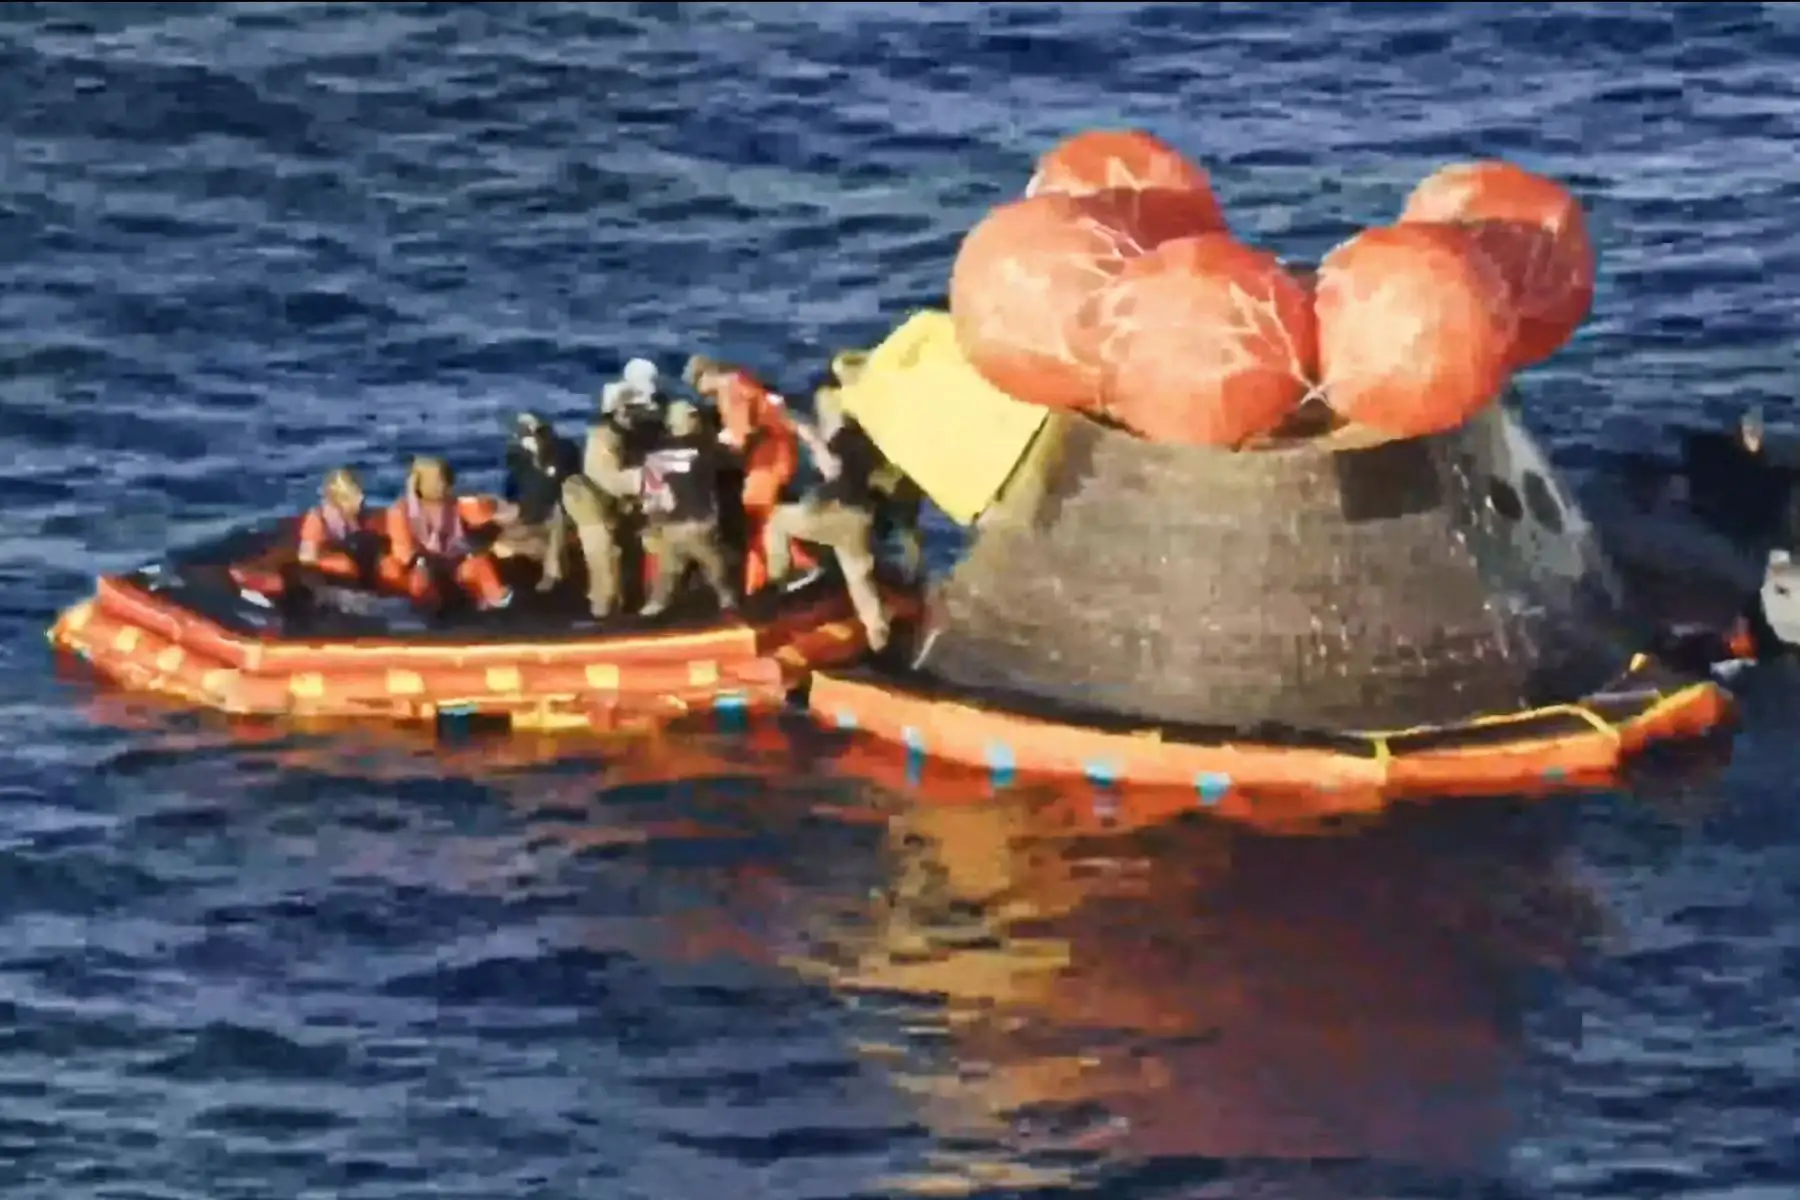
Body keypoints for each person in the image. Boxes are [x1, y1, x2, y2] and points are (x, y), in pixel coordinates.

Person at [762, 388, 892, 651]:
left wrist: (789, 417)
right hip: (861, 519)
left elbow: (827, 462)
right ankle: (877, 631)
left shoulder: (840, 440)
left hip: (835, 513)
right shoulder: (875, 448)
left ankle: (781, 577)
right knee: (858, 578)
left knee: (777, 520)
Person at [684, 354, 805, 593]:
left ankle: (795, 568)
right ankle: (761, 578)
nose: (700, 393)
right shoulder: (744, 380)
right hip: (779, 453)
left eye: (697, 385)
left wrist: (707, 455)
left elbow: (740, 437)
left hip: (767, 460)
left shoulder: (731, 391)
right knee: (764, 515)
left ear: (706, 375)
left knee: (755, 514)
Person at [639, 400, 735, 617]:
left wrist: (654, 525)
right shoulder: (705, 448)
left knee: (667, 570)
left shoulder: (654, 455)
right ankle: (728, 601)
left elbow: (651, 495)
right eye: (694, 417)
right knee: (714, 564)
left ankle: (653, 608)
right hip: (698, 523)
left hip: (669, 526)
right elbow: (731, 462)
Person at [382, 456, 513, 612]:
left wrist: (489, 506)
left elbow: (483, 512)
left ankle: (494, 606)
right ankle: (418, 613)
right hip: (420, 569)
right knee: (399, 571)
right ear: (416, 481)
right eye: (432, 479)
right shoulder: (401, 510)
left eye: (442, 479)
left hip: (454, 566)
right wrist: (423, 564)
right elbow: (403, 552)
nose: (439, 484)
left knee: (479, 565)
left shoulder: (456, 503)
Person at [295, 467, 382, 584]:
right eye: (355, 493)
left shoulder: (358, 516)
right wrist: (337, 564)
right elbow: (306, 559)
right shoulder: (319, 519)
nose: (361, 498)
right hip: (325, 579)